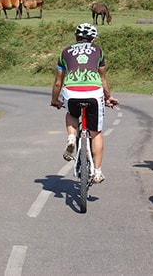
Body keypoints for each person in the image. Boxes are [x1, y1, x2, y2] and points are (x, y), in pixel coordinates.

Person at [50, 23, 118, 183]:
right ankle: (98, 172)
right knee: (96, 133)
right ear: (92, 39)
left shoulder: (65, 52)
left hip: (71, 91)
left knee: (71, 113)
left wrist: (55, 100)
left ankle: (72, 137)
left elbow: (58, 82)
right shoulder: (98, 51)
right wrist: (109, 97)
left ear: (76, 37)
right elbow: (103, 79)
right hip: (94, 92)